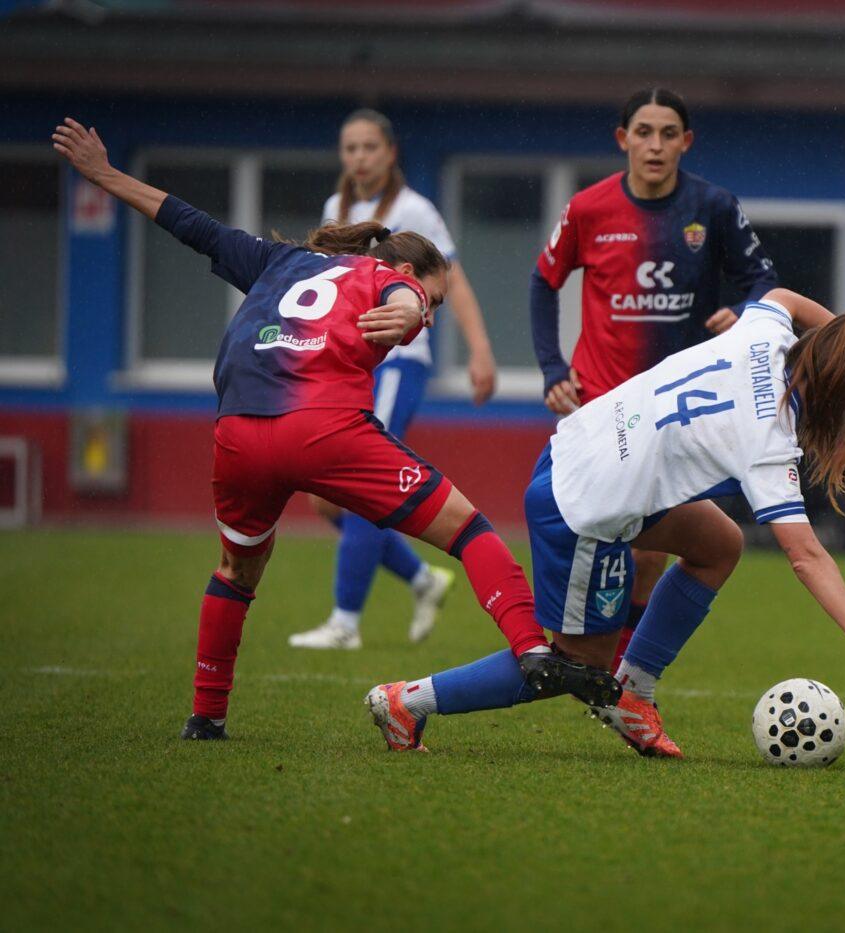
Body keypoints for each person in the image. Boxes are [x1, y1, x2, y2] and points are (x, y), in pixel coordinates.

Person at [51, 118, 619, 741]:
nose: (429, 318)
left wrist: (105, 175)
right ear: (405, 270)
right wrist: (408, 309)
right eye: (434, 303)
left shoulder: (276, 260)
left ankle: (206, 718)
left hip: (238, 434)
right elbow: (401, 294)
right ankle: (532, 651)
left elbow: (191, 224)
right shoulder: (383, 274)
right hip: (324, 429)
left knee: (235, 573)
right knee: (469, 529)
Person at [367, 288, 845, 757]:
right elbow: (806, 555)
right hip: (582, 508)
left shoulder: (763, 336)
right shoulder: (770, 440)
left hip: (577, 448)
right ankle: (407, 701)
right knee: (573, 668)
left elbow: (783, 296)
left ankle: (635, 689)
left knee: (718, 543)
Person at [531, 88, 779, 672]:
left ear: (685, 142)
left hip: (676, 407)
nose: (655, 145)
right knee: (608, 536)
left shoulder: (713, 207)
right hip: (602, 403)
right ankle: (584, 656)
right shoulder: (588, 209)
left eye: (669, 134)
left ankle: (613, 668)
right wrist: (552, 368)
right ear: (624, 139)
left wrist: (742, 311)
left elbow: (764, 281)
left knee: (649, 552)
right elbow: (544, 281)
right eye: (644, 132)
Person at [290, 109, 498, 651]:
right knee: (325, 498)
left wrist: (479, 350)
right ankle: (422, 578)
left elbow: (452, 280)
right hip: (349, 358)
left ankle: (344, 622)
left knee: (360, 478)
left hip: (398, 361)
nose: (359, 157)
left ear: (390, 153)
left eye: (369, 147)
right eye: (350, 147)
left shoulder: (414, 210)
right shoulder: (335, 209)